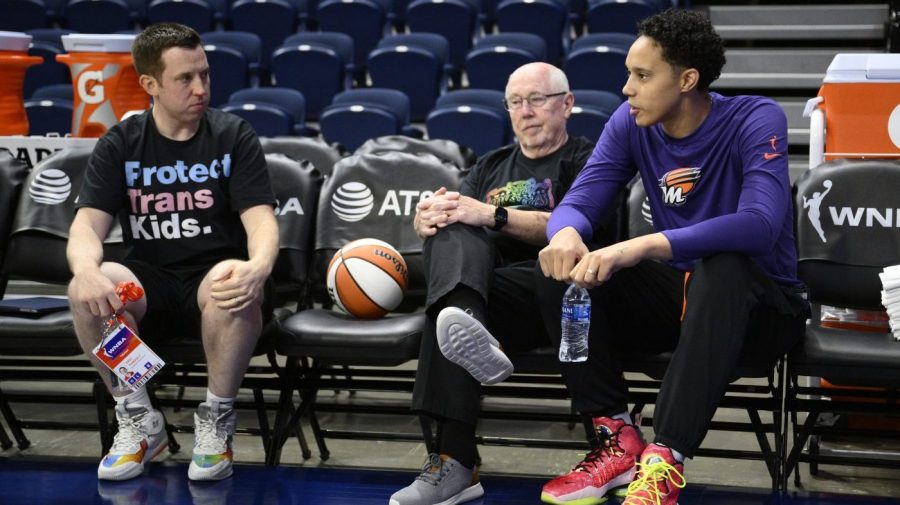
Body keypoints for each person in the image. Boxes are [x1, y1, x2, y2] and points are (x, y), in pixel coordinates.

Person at [534, 9, 809, 505]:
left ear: (687, 79)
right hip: (683, 301)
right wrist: (566, 233)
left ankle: (665, 461)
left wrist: (641, 245)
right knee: (562, 267)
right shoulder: (631, 123)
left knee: (723, 265)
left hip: (764, 310)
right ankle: (615, 437)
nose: (626, 89)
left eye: (642, 76)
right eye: (628, 75)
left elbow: (761, 224)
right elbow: (581, 199)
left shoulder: (755, 117)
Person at [389, 62, 620, 505]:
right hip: (491, 303)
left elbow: (581, 230)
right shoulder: (489, 166)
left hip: (565, 298)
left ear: (567, 104)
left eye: (537, 99)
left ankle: (454, 457)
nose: (525, 111)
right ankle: (454, 461)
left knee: (452, 306)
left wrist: (493, 214)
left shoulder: (589, 161)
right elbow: (456, 223)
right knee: (451, 268)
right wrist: (428, 222)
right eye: (516, 102)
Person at [67, 22, 278, 482]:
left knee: (229, 278)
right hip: (151, 282)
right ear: (150, 84)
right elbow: (87, 224)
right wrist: (85, 270)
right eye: (185, 78)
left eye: (204, 74)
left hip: (211, 283)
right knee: (92, 287)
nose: (200, 87)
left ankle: (217, 421)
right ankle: (140, 420)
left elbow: (261, 219)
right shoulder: (122, 143)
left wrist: (259, 265)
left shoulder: (232, 135)